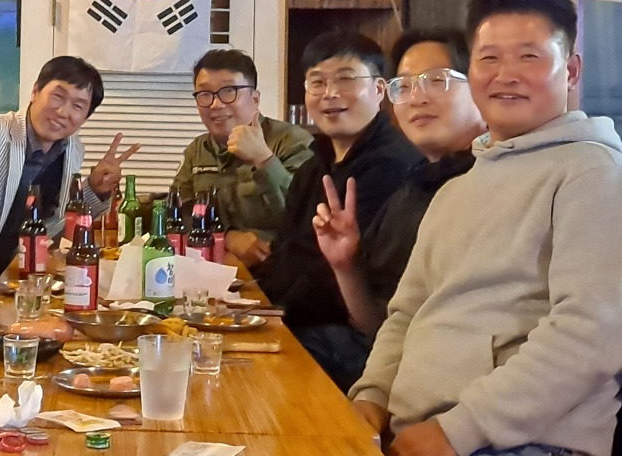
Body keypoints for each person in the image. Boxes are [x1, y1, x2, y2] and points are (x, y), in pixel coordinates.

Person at [350, 0, 622, 456]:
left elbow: (591, 330)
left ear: (572, 71)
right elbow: (407, 314)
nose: (505, 75)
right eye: (489, 58)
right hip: (418, 432)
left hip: (522, 442)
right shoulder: (456, 188)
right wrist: (371, 398)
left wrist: (457, 431)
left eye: (529, 57)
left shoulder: (592, 172)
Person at [310, 29, 485, 386]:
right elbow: (377, 326)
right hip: (389, 368)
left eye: (436, 80)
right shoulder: (417, 183)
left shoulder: (489, 183)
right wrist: (346, 265)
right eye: (403, 86)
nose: (416, 98)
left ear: (481, 87)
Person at [0, 56, 138, 319]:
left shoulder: (72, 149)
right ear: (35, 91)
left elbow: (49, 228)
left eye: (78, 106)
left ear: (85, 117)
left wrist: (94, 189)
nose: (63, 112)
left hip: (2, 289)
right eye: (58, 96)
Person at [257, 31, 420, 389]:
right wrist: (252, 301)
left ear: (380, 89)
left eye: (346, 79)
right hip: (303, 318)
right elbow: (286, 251)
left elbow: (329, 280)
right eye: (317, 82)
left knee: (250, 371)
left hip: (364, 336)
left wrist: (272, 312)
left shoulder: (393, 165)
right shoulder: (314, 165)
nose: (329, 93)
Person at [173, 49, 313, 267]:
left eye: (229, 91)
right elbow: (179, 214)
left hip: (281, 272)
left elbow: (306, 217)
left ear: (255, 98)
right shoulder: (197, 150)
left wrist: (264, 160)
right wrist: (226, 237)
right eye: (205, 94)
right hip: (215, 271)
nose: (216, 104)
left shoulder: (292, 142)